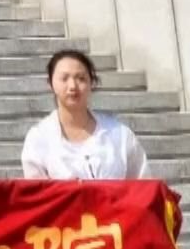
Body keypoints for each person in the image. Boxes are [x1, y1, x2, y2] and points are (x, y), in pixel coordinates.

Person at [20, 50, 150, 179]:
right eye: (64, 78)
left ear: (91, 82)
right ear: (51, 84)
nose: (72, 86)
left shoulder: (120, 135)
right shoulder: (39, 138)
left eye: (81, 78)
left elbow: (143, 186)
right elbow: (37, 194)